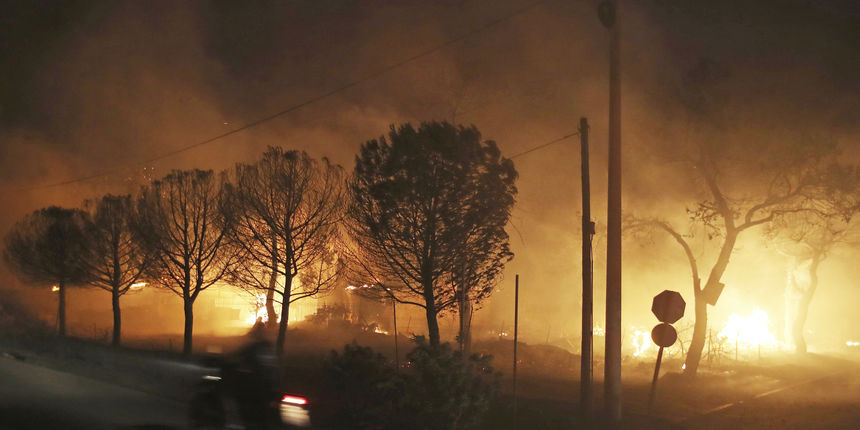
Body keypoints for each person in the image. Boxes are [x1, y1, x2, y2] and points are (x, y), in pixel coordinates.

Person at [227, 318, 280, 429]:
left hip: (253, 388)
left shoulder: (252, 348)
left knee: (243, 407)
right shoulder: (268, 347)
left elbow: (235, 356)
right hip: (268, 387)